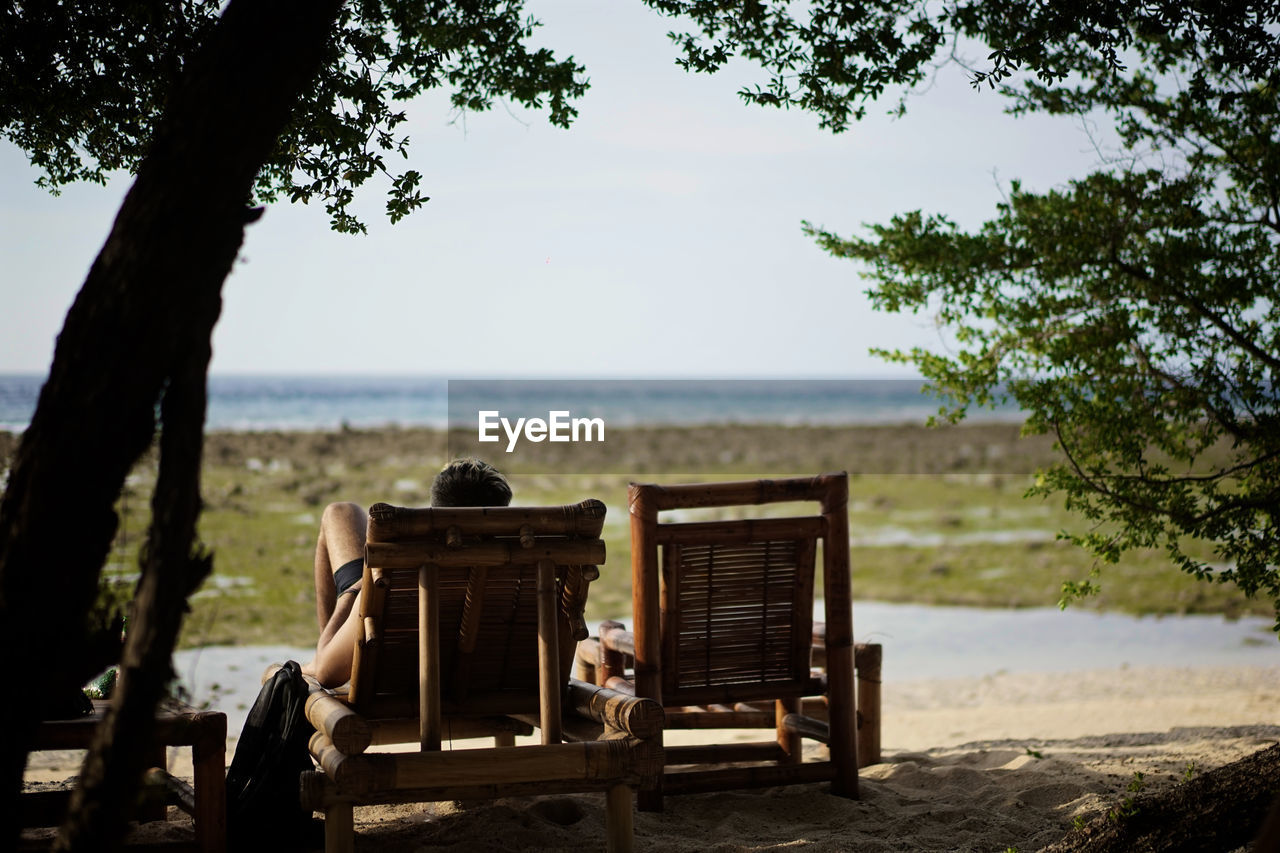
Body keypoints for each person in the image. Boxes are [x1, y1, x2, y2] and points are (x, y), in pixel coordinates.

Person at [301, 458, 512, 687]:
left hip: (398, 684)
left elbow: (327, 674)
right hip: (480, 684)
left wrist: (355, 590)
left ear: (435, 513)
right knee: (342, 512)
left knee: (338, 512)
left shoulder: (399, 575)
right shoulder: (527, 574)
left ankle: (331, 646)